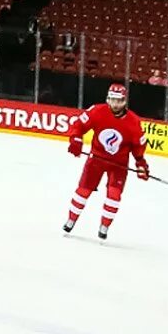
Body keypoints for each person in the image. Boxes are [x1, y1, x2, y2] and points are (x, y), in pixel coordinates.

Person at [63, 83, 149, 241]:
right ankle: (71, 219)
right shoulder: (97, 111)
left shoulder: (134, 122)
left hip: (119, 164)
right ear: (107, 99)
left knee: (114, 195)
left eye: (119, 101)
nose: (115, 104)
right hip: (96, 159)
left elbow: (138, 146)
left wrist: (140, 162)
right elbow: (78, 125)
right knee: (83, 191)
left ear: (124, 101)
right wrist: (75, 139)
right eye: (112, 100)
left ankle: (104, 226)